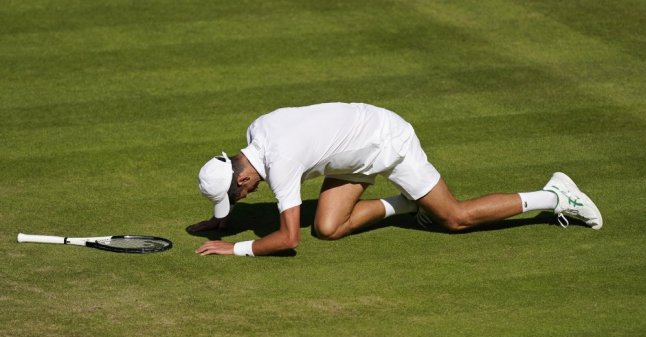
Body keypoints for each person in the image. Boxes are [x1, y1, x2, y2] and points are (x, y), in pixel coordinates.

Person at [187, 102, 602, 256]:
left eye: (238, 195)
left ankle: (555, 196)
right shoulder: (255, 134)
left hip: (386, 140)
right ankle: (406, 204)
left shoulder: (281, 164)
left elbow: (288, 238)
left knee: (454, 218)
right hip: (350, 153)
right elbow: (238, 181)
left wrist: (237, 246)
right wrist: (223, 216)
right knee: (328, 229)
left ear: (241, 181)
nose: (247, 194)